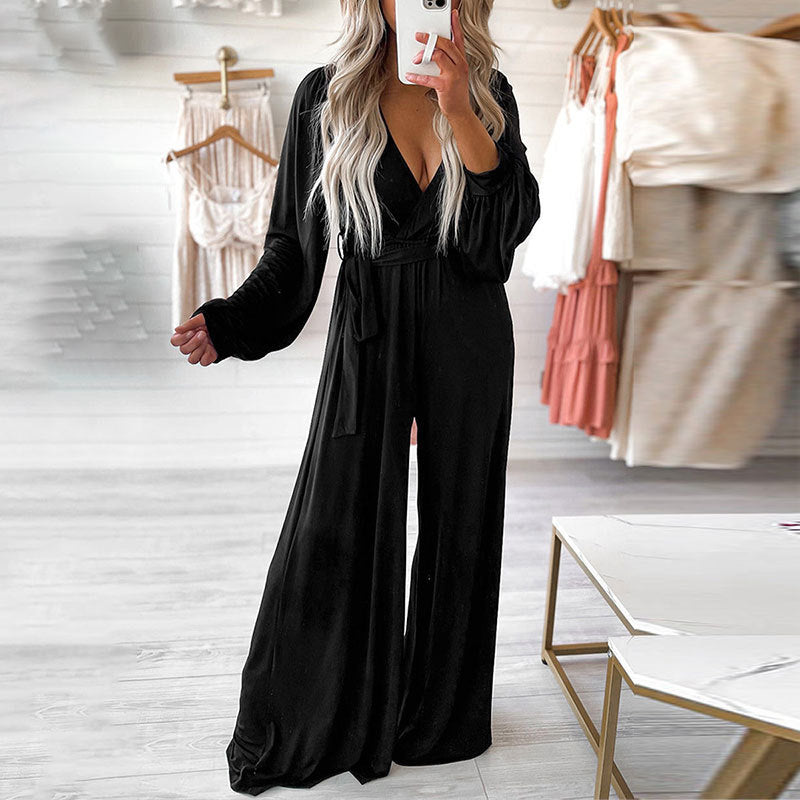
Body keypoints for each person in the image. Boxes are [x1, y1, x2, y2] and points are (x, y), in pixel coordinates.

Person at [170, 0, 540, 792]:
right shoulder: (327, 94)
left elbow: (499, 239)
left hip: (470, 331)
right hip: (370, 332)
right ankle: (323, 714)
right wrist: (229, 321)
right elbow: (292, 250)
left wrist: (458, 105)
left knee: (462, 529)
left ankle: (442, 720)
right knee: (333, 520)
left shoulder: (488, 91)